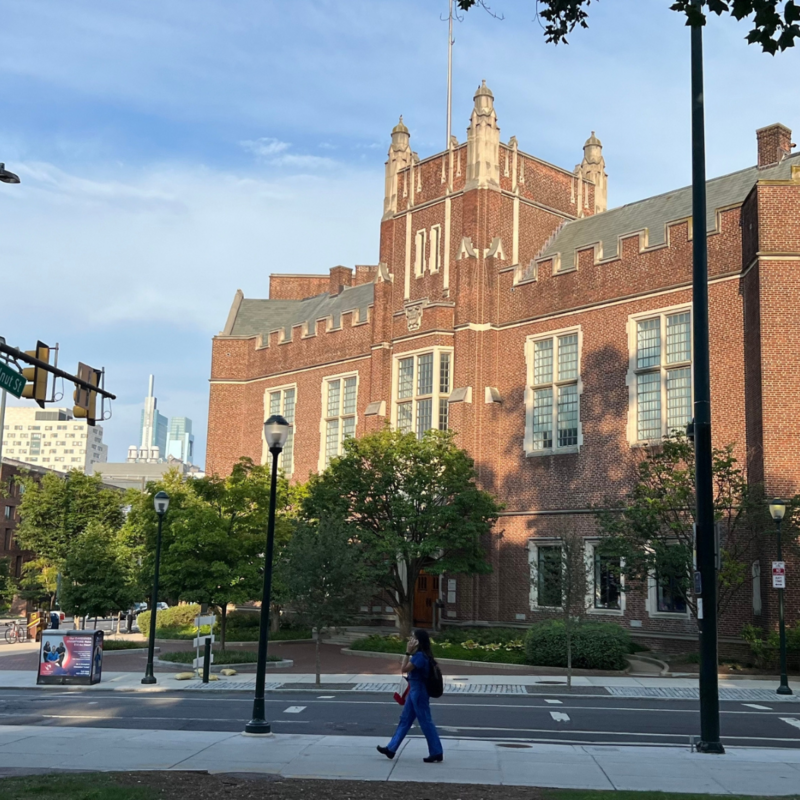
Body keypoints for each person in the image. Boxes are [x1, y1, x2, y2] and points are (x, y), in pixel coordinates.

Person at [377, 628, 443, 763]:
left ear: (418, 641)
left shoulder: (419, 657)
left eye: (413, 638)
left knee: (425, 721)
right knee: (405, 720)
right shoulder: (422, 655)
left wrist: (407, 652)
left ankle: (437, 751)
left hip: (418, 692)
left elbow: (404, 668)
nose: (410, 640)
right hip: (415, 690)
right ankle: (391, 748)